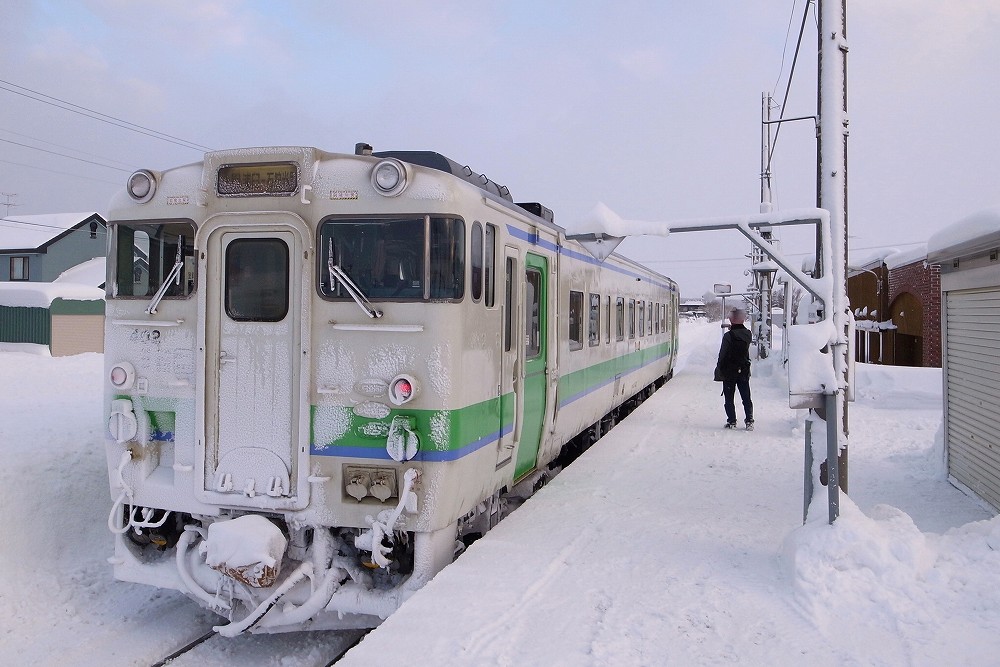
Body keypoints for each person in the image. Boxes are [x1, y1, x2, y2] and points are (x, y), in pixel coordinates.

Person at [715, 308, 754, 430]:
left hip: (729, 371)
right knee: (746, 397)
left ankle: (732, 421)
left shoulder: (728, 336)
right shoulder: (748, 334)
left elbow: (722, 354)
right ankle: (749, 421)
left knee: (729, 397)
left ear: (731, 319)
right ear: (743, 319)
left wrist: (719, 368)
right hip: (743, 370)